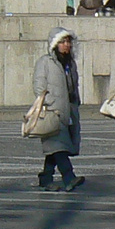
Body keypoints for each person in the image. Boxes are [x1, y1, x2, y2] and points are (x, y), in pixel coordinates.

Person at [34, 28, 83, 192]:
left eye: (68, 41)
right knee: (58, 147)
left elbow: (74, 86)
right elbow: (39, 87)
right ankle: (69, 177)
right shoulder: (45, 62)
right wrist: (50, 102)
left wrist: (76, 102)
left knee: (54, 148)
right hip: (52, 111)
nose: (66, 45)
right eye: (62, 42)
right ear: (55, 44)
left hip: (68, 110)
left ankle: (46, 178)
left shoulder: (70, 63)